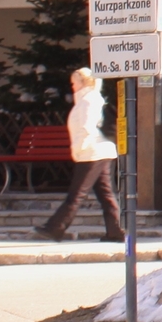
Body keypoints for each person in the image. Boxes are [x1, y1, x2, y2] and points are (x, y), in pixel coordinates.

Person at [36, 67, 126, 242]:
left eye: (73, 81)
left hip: (91, 152)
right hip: (98, 150)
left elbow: (86, 128)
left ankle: (55, 227)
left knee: (77, 193)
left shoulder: (88, 101)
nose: (71, 85)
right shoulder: (88, 99)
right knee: (105, 194)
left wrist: (79, 149)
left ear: (83, 82)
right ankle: (115, 231)